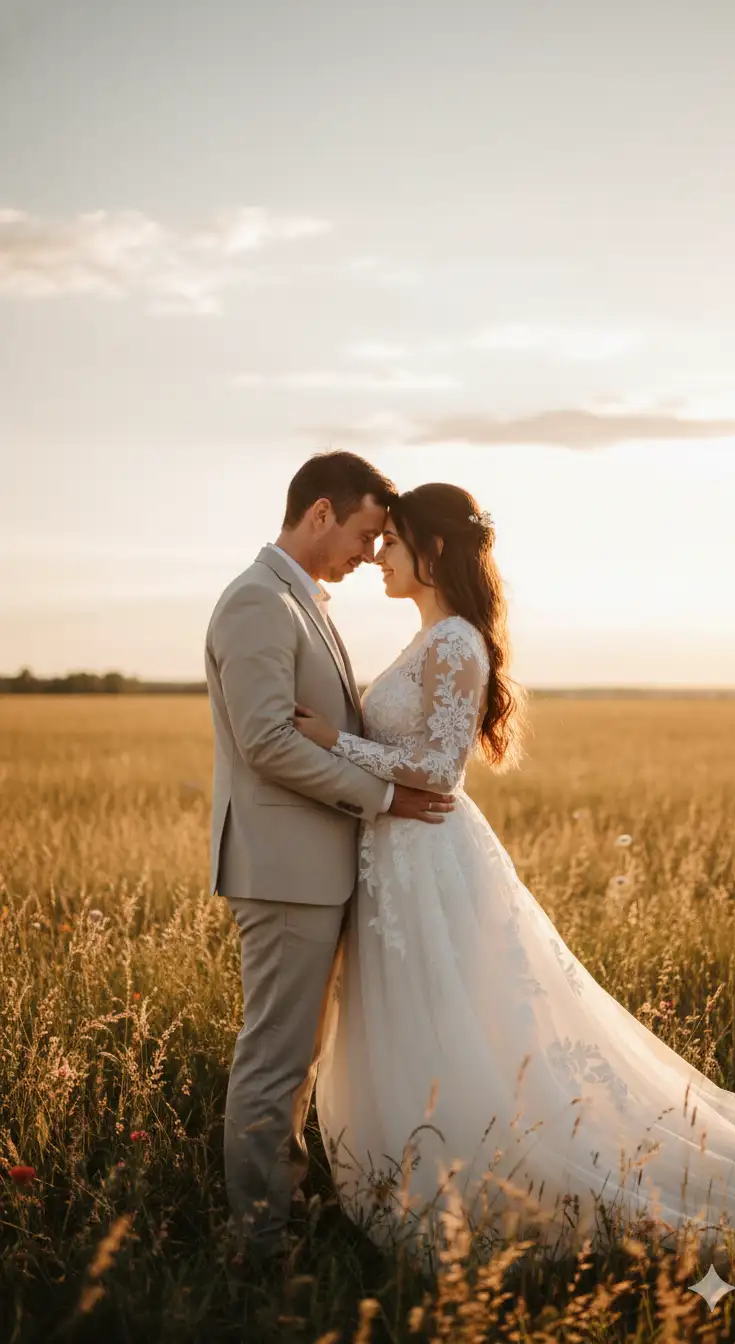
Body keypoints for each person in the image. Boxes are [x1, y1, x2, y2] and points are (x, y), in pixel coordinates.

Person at [294, 481, 735, 1267]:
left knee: (457, 1019)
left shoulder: (454, 643)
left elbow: (440, 770)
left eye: (393, 540)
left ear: (433, 550)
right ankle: (420, 1165)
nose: (379, 554)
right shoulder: (431, 637)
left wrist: (330, 743)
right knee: (427, 1019)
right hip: (400, 858)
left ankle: (527, 1190)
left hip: (430, 854)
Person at [205, 452, 456, 1259]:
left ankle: (287, 1214)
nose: (367, 551)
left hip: (317, 868)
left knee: (296, 1060)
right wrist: (386, 798)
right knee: (275, 1062)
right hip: (283, 870)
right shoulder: (256, 602)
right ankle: (259, 1248)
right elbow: (269, 741)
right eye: (363, 532)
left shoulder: (298, 602)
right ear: (320, 512)